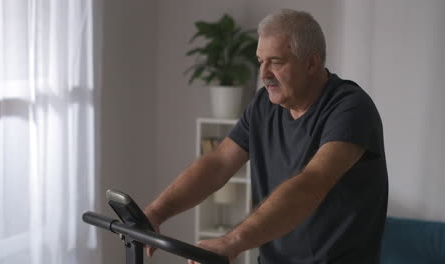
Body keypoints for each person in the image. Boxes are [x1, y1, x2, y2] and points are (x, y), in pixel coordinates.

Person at [145, 8, 388, 264]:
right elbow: (218, 164)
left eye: (276, 61)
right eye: (261, 61)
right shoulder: (264, 104)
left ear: (311, 63)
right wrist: (155, 213)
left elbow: (311, 184)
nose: (264, 74)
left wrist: (231, 242)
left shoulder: (350, 108)